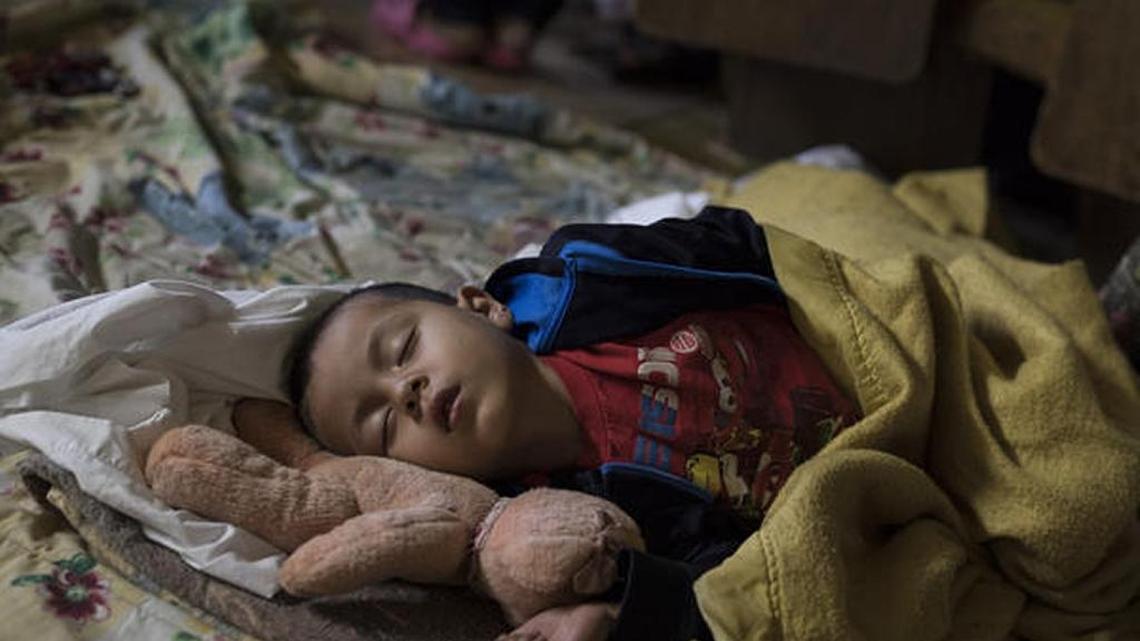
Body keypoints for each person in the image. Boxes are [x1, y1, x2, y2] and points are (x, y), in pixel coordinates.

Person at [253, 206, 860, 640]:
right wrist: (620, 613)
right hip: (863, 481)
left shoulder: (589, 277)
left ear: (482, 307)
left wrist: (845, 296)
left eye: (405, 347)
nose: (405, 391)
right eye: (383, 424)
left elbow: (740, 243)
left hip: (860, 346)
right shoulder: (568, 522)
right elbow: (728, 577)